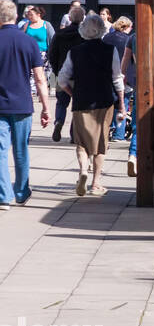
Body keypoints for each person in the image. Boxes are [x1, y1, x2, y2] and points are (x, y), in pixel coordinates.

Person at [56, 11, 124, 197]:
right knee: (102, 143)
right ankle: (96, 183)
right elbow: (117, 78)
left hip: (81, 100)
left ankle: (83, 171)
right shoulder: (111, 51)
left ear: (83, 31)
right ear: (102, 30)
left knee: (81, 142)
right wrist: (122, 105)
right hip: (104, 100)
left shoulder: (74, 52)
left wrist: (73, 92)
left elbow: (62, 80)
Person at [0, 0, 52, 209]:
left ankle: (4, 195)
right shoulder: (28, 41)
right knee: (21, 150)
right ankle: (21, 192)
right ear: (15, 17)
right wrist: (46, 107)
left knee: (1, 151)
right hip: (22, 103)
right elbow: (40, 79)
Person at [122, 7, 154, 178]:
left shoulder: (133, 38)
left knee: (138, 123)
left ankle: (133, 155)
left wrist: (123, 80)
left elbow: (125, 61)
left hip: (140, 85)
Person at [47, 6, 86, 143]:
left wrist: (56, 70)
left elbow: (51, 54)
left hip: (59, 74)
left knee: (61, 102)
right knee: (78, 103)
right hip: (79, 74)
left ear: (69, 18)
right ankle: (74, 134)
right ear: (82, 18)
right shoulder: (84, 35)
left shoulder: (59, 34)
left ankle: (59, 121)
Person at [104, 17, 132, 141]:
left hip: (107, 74)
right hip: (123, 75)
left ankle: (107, 129)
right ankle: (119, 134)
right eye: (130, 27)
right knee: (123, 103)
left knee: (109, 103)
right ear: (125, 27)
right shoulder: (128, 40)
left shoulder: (106, 38)